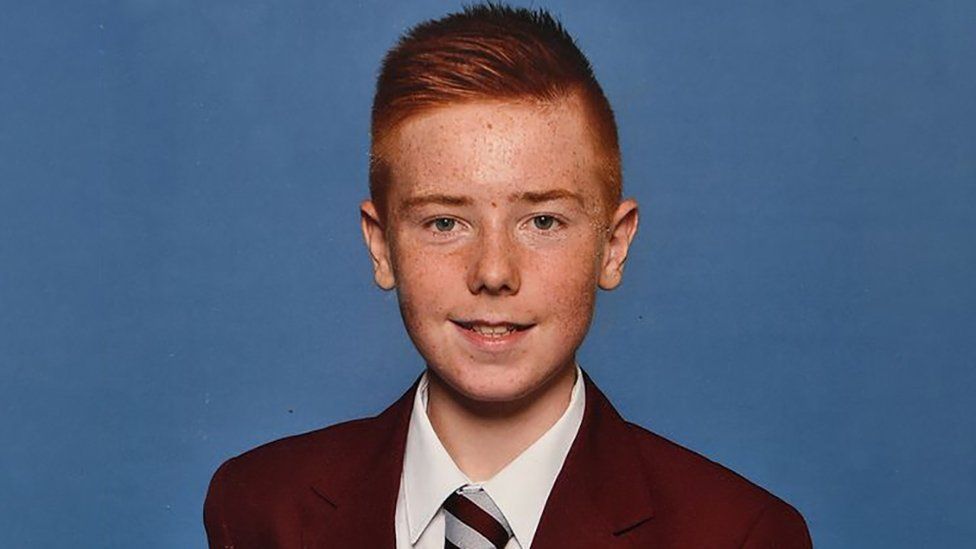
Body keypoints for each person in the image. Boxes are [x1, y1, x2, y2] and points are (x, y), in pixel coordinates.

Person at [204, 4, 812, 548]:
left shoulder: (737, 535)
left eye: (543, 221)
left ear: (613, 246)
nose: (494, 273)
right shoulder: (259, 509)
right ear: (382, 246)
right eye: (445, 223)